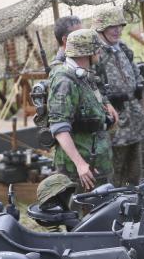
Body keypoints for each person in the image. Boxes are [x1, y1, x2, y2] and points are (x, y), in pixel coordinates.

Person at [47, 28, 116, 191]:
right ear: (87, 52)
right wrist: (80, 164)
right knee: (82, 213)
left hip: (97, 162)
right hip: (80, 170)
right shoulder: (65, 82)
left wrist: (106, 107)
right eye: (96, 48)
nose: (99, 52)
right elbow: (59, 128)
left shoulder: (84, 75)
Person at [91, 7, 144, 186]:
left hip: (134, 120)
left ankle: (135, 207)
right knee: (115, 175)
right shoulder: (94, 54)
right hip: (114, 123)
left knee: (135, 173)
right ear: (100, 29)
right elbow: (92, 87)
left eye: (119, 26)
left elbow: (139, 82)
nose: (117, 30)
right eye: (111, 26)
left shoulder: (122, 49)